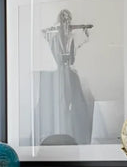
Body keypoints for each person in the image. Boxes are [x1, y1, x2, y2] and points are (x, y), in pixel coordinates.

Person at [39, 9, 94, 146]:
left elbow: (81, 44)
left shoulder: (73, 35)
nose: (65, 22)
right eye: (63, 19)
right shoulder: (54, 36)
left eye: (67, 19)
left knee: (76, 101)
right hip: (59, 72)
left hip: (69, 71)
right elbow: (46, 39)